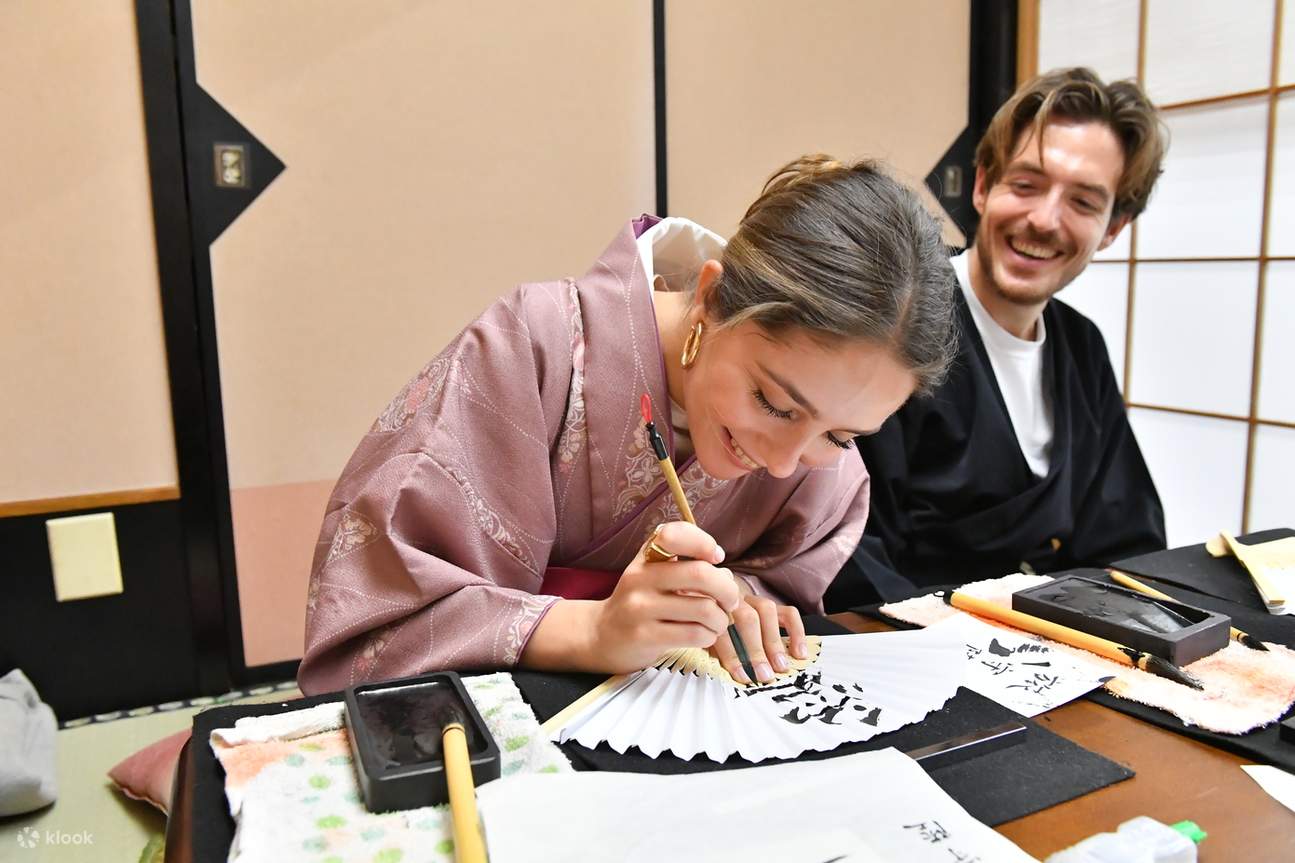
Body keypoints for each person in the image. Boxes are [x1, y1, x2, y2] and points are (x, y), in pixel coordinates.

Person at [298, 155, 958, 694]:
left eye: (840, 435)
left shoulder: (816, 470)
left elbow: (781, 574)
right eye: (774, 403)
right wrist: (591, 632)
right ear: (709, 295)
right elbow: (379, 623)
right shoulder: (533, 350)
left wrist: (744, 599)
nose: (785, 461)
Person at [825, 68, 1170, 610]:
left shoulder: (1082, 347)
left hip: (1056, 652)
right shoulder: (896, 325)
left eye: (1083, 202)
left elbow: (1125, 546)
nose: (1045, 220)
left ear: (1112, 229)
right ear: (984, 185)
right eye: (1027, 185)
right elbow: (845, 548)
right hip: (911, 650)